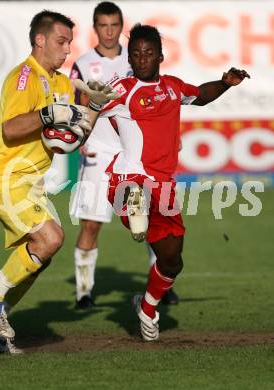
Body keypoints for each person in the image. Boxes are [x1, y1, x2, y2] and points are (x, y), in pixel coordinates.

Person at [0, 10, 116, 354]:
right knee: (51, 238)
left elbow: (70, 140)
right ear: (40, 39)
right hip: (5, 178)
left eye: (69, 43)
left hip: (29, 182)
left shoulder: (63, 83)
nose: (67, 50)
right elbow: (11, 128)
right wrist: (48, 114)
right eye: (61, 41)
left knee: (43, 252)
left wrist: (93, 107)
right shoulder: (24, 77)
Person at [94, 24, 250, 341]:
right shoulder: (122, 89)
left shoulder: (173, 87)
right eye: (136, 54)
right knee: (135, 194)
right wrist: (78, 113)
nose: (141, 59)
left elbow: (201, 96)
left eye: (148, 53)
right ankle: (134, 206)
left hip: (163, 186)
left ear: (160, 57)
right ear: (130, 57)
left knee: (172, 260)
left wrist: (225, 83)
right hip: (128, 176)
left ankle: (147, 308)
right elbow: (90, 107)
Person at [69, 2, 178, 309]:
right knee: (91, 224)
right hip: (99, 151)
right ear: (95, 28)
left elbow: (160, 103)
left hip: (134, 152)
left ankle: (161, 288)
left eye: (114, 25)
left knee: (156, 217)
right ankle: (84, 293)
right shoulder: (84, 63)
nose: (109, 31)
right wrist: (80, 135)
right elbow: (79, 103)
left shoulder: (136, 61)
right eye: (103, 25)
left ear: (120, 27)